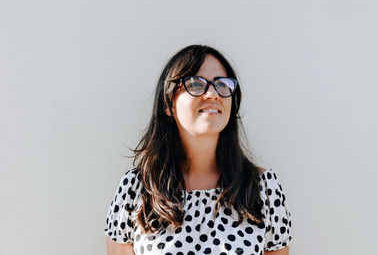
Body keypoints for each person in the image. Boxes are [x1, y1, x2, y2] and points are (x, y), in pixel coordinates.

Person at [104, 44, 292, 255]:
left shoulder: (263, 188)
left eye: (222, 84)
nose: (212, 94)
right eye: (195, 83)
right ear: (168, 104)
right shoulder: (137, 189)